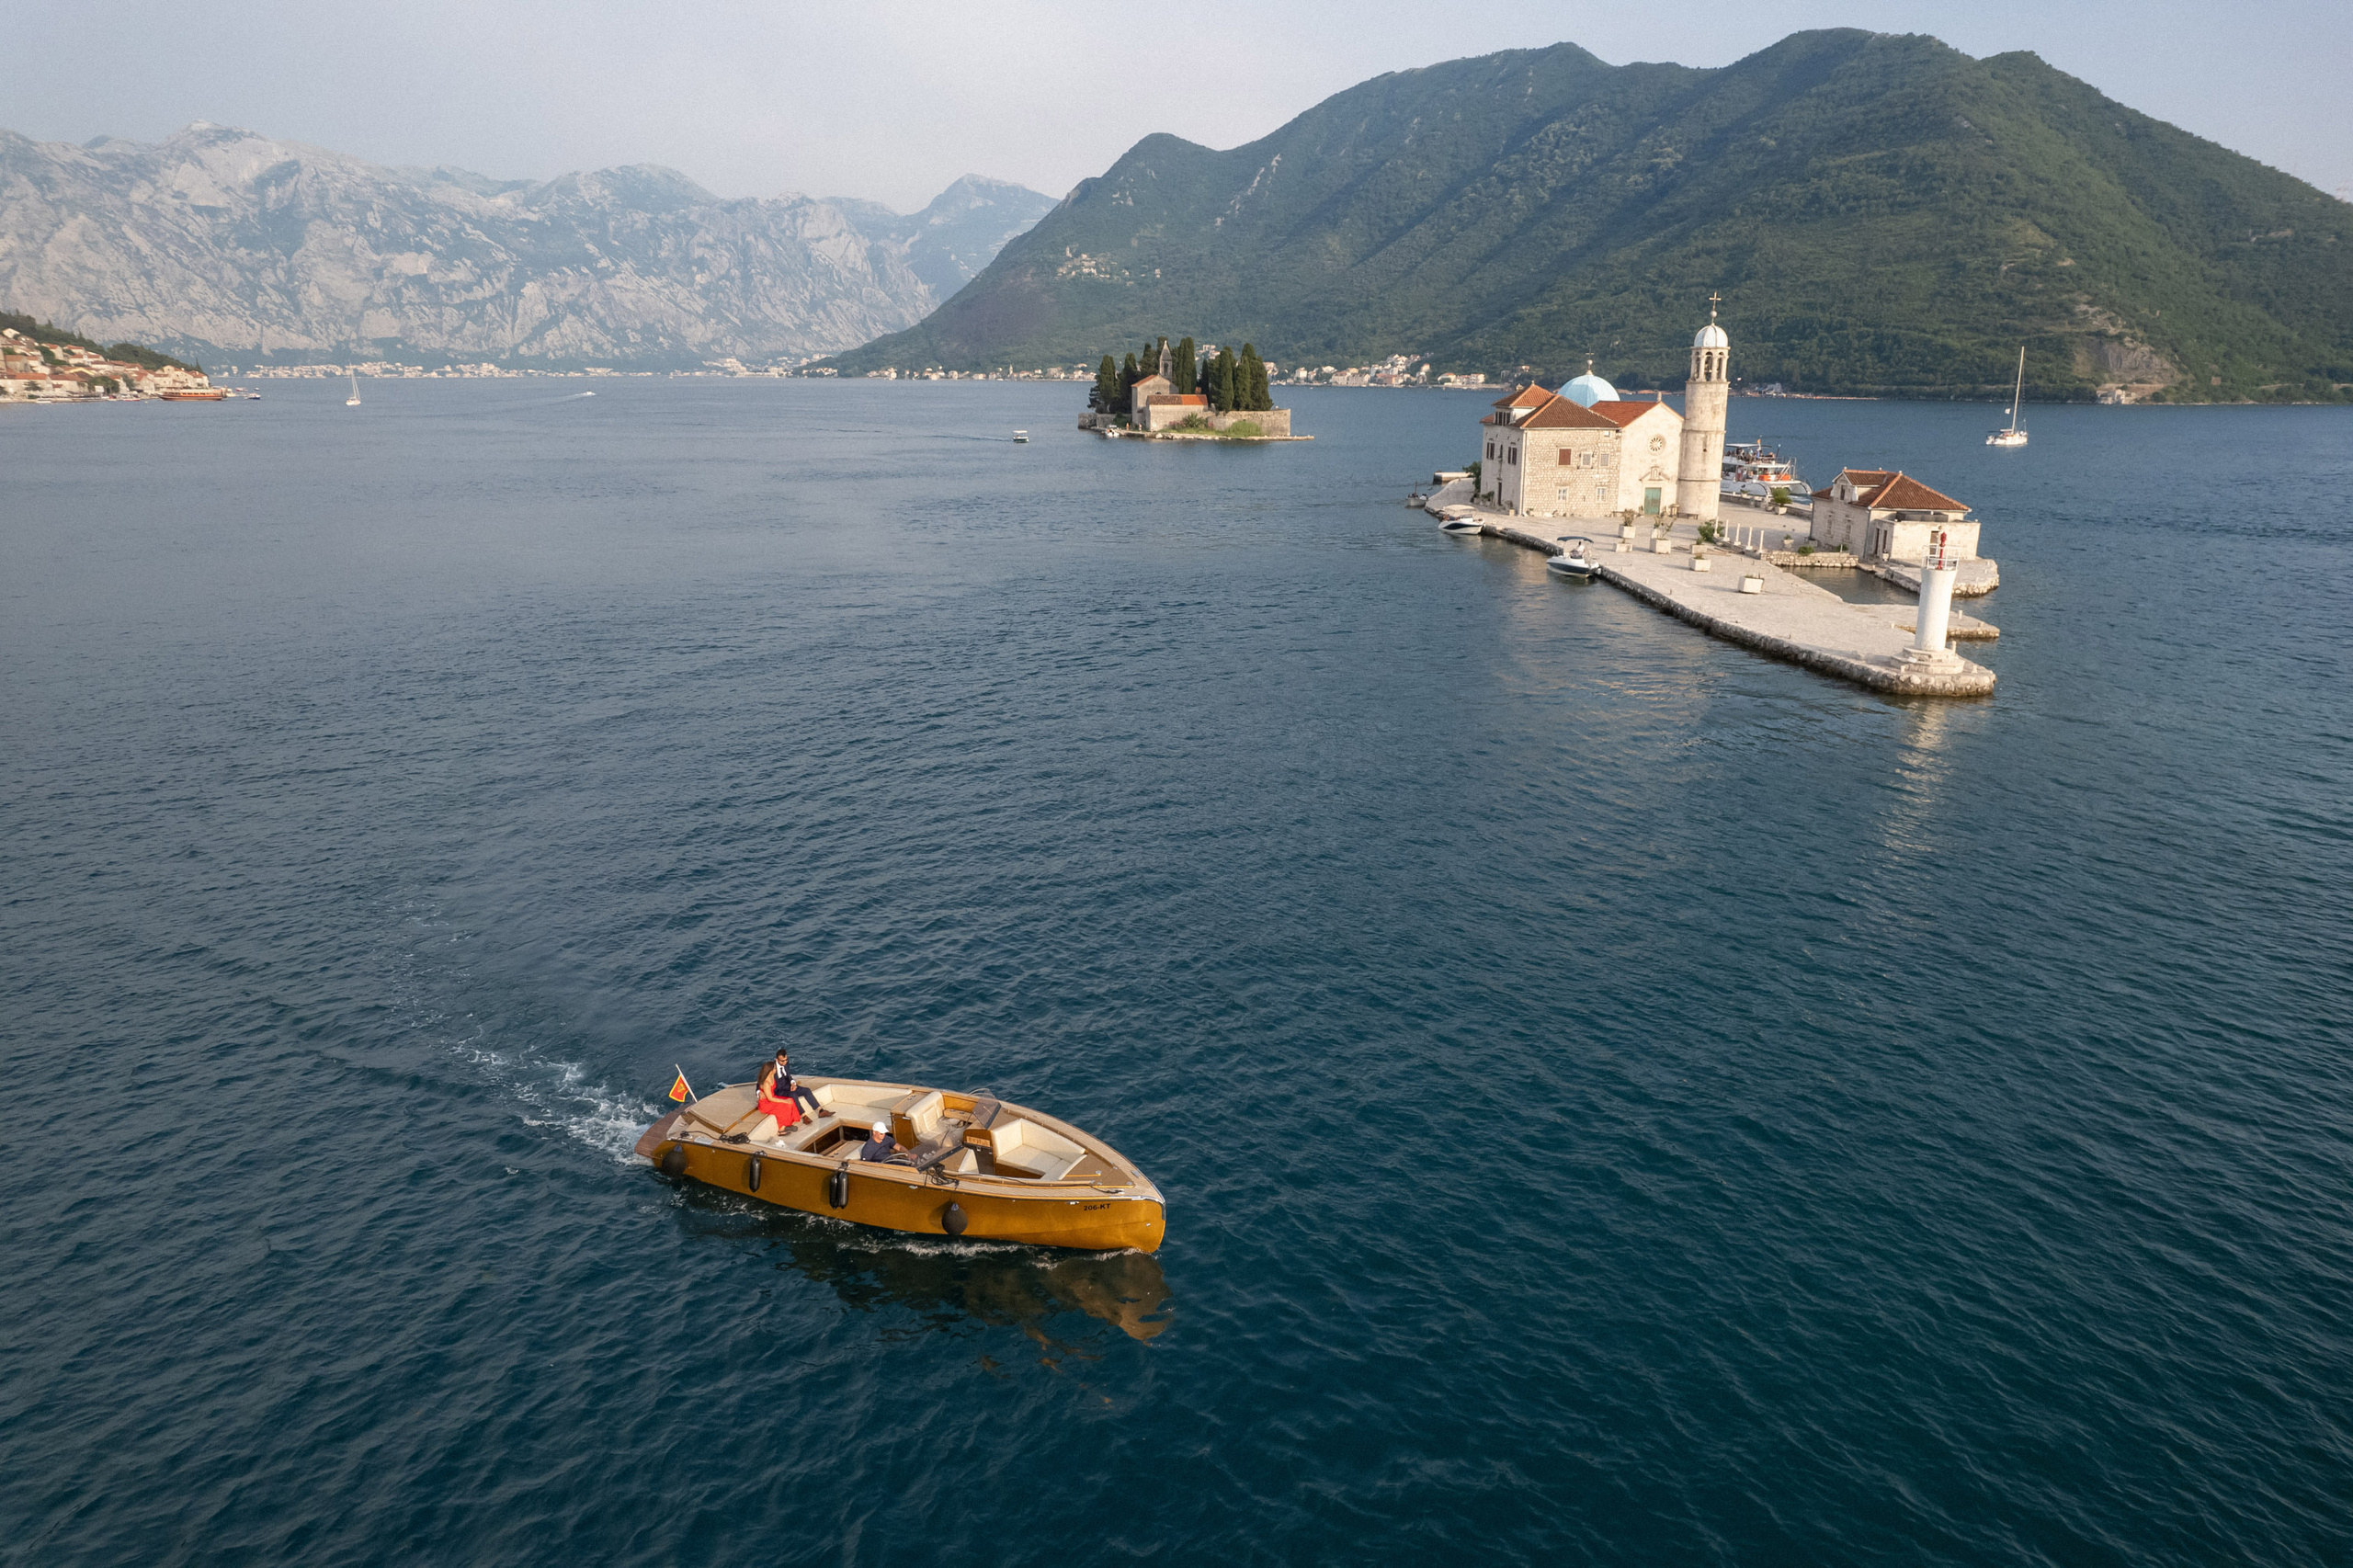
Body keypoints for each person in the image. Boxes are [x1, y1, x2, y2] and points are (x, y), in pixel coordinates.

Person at [755, 1046, 824, 1129]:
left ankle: (820, 1110)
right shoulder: (772, 1068)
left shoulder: (786, 1064)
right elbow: (761, 1081)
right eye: (783, 1061)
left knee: (806, 1091)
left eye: (786, 1060)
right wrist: (759, 1092)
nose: (785, 1062)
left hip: (788, 1086)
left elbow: (788, 1075)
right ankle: (803, 1116)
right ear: (777, 1060)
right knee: (793, 1095)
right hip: (779, 1090)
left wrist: (793, 1083)